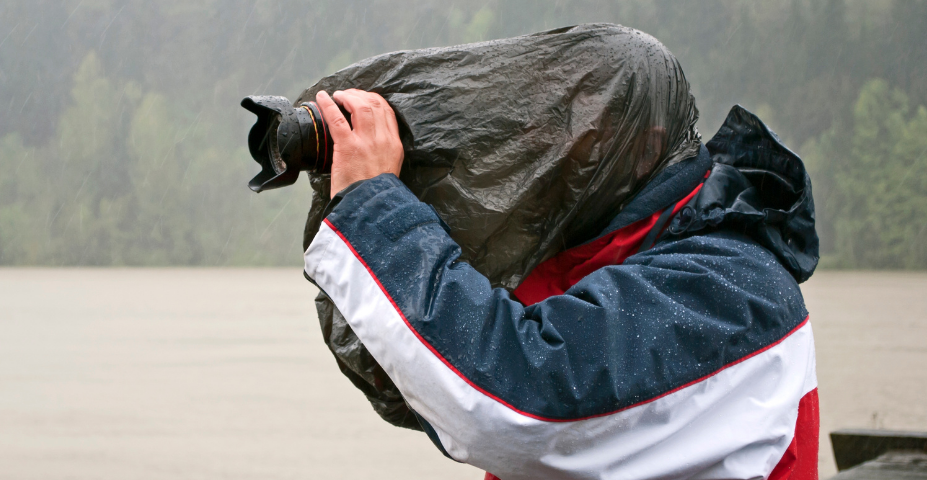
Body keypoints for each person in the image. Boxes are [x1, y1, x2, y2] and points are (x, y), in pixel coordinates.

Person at [303, 40, 820, 480]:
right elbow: (414, 378)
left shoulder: (733, 284)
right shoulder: (591, 264)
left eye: (568, 129)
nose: (538, 150)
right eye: (532, 128)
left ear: (645, 149)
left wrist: (376, 205)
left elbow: (512, 403)